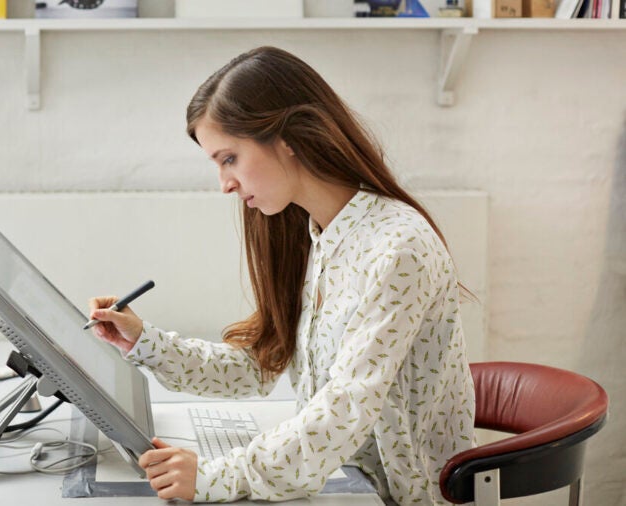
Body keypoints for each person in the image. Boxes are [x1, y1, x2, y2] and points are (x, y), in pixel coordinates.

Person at [88, 46, 476, 505]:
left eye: (229, 158)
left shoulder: (397, 247)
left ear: (287, 137)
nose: (224, 184)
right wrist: (143, 341)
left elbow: (345, 410)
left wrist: (216, 478)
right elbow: (260, 367)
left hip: (395, 496)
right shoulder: (316, 235)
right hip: (341, 481)